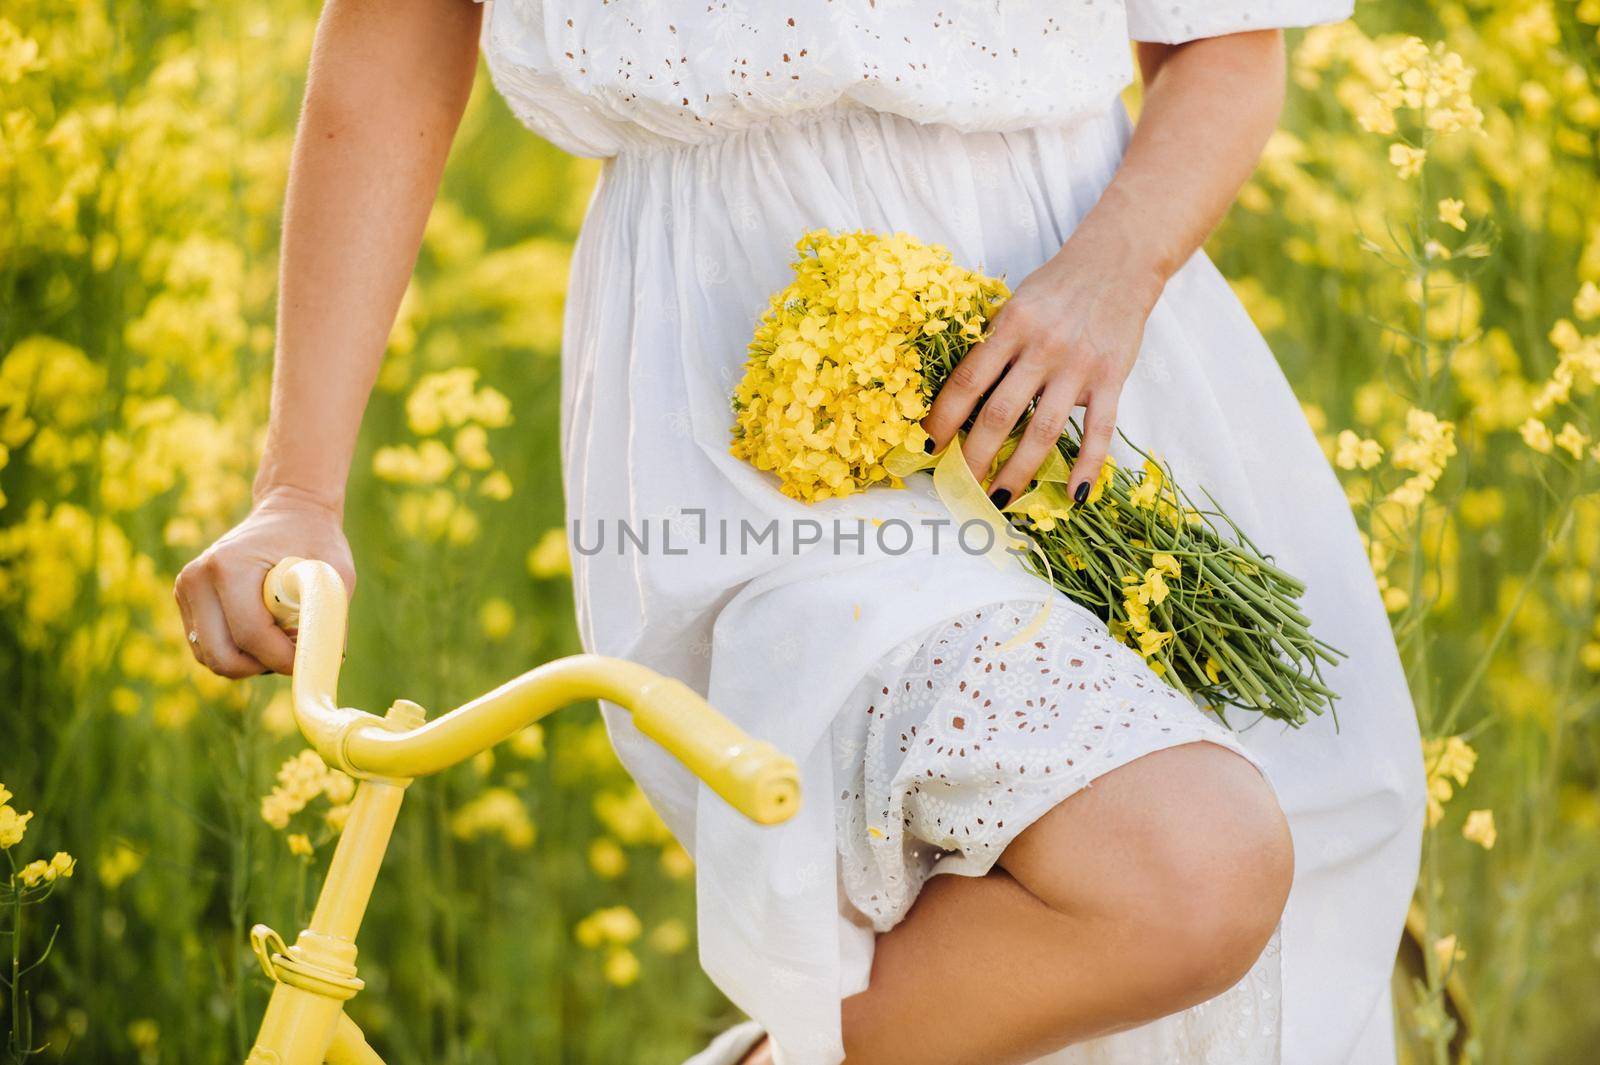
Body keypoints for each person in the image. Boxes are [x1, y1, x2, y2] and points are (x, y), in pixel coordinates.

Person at [176, 3, 1425, 1063]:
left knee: (1241, 905)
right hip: (741, 400)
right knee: (1184, 869)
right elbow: (396, 37)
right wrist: (300, 492)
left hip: (1092, 333)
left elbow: (1222, 42)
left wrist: (1112, 278)